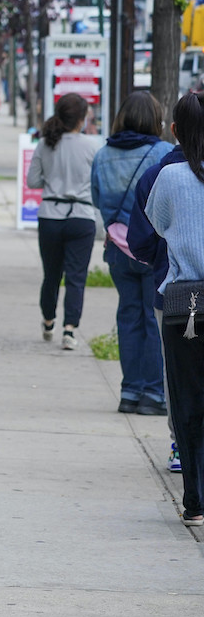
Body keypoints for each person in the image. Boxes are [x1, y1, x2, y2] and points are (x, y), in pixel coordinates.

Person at [90, 92, 174, 416]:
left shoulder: (102, 155)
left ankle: (129, 391)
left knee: (128, 316)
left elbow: (98, 200)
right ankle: (153, 393)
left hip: (117, 250)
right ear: (155, 120)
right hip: (152, 249)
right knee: (154, 321)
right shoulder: (163, 152)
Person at [144, 91, 204, 527]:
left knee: (186, 400)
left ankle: (195, 500)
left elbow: (159, 224)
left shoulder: (171, 176)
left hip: (187, 302)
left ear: (176, 131)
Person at [128, 121, 189, 472]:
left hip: (174, 288)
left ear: (174, 129)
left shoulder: (159, 174)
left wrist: (161, 261)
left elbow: (141, 239)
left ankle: (181, 442)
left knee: (176, 368)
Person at [26, 93, 100, 350]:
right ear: (82, 118)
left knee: (51, 274)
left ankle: (48, 320)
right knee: (76, 277)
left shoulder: (46, 143)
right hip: (81, 216)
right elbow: (99, 183)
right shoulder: (92, 146)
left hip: (50, 215)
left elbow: (33, 181)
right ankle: (69, 329)